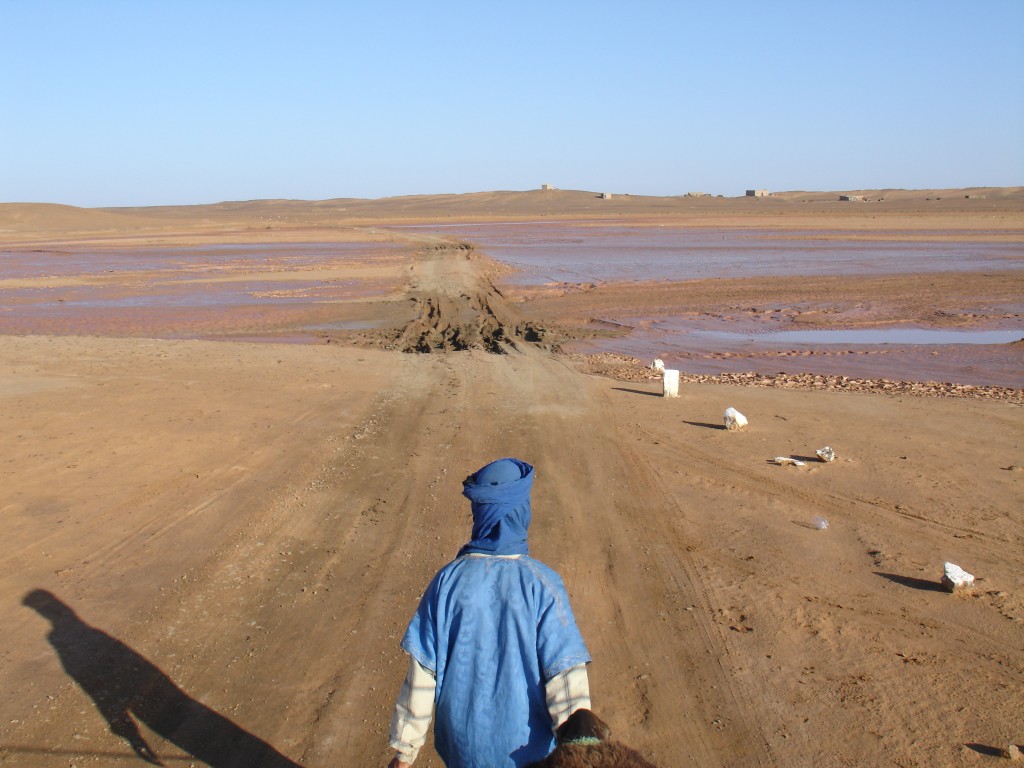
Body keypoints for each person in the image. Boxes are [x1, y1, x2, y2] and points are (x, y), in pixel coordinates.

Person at [387, 458, 592, 768]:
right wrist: (580, 748)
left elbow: (422, 675)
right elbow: (565, 677)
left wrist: (404, 752)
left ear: (480, 513)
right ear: (522, 511)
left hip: (460, 751)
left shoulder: (447, 581)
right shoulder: (543, 584)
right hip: (528, 755)